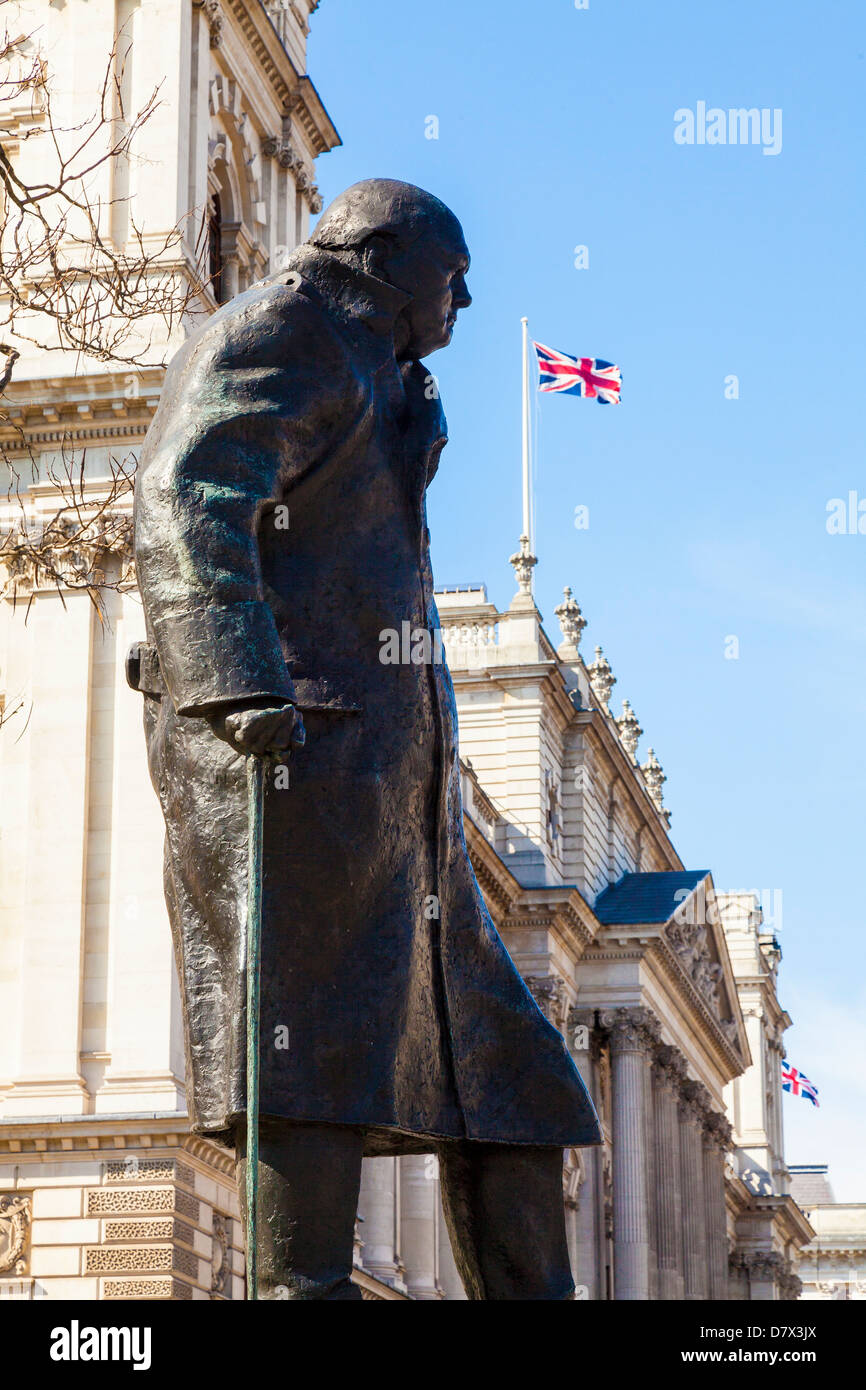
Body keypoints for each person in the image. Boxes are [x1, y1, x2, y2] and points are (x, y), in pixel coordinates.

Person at [130, 179, 601, 1300]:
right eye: (455, 274)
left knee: (517, 1084)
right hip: (292, 758)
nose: (470, 298)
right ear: (383, 256)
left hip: (398, 796)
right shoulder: (282, 330)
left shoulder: (379, 370)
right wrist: (238, 682)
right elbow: (185, 492)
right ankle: (305, 1284)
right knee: (310, 1038)